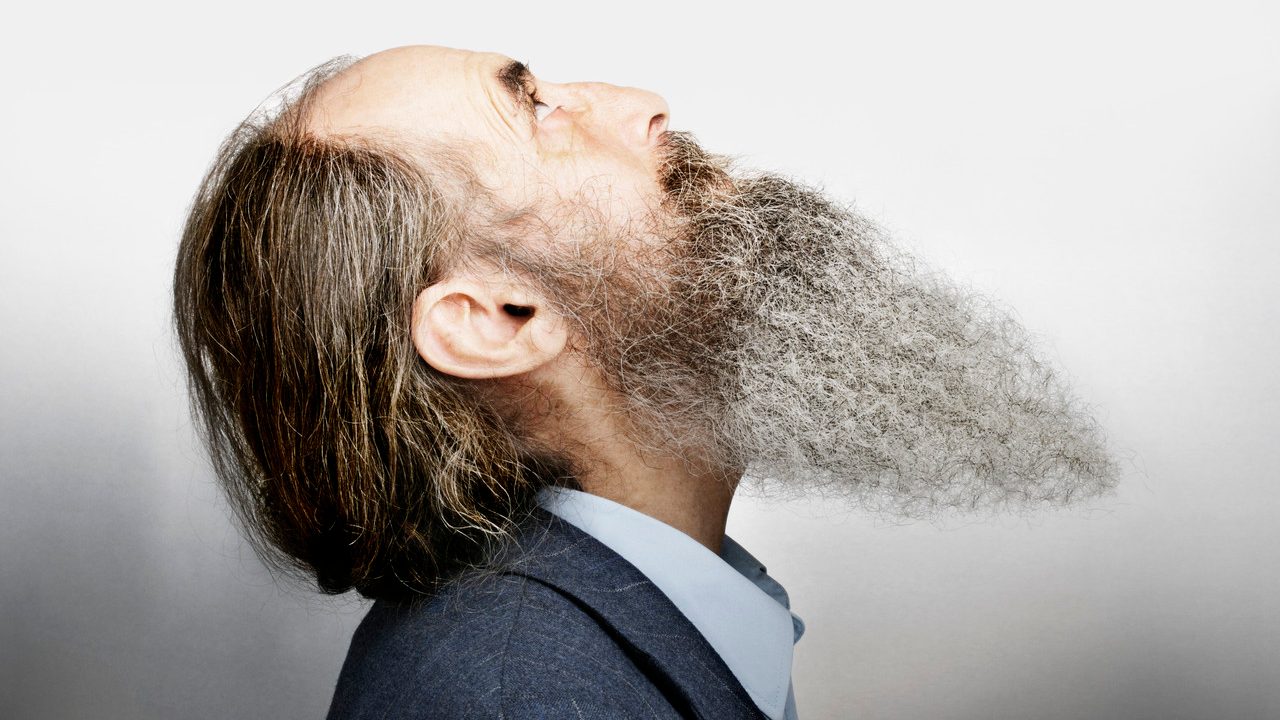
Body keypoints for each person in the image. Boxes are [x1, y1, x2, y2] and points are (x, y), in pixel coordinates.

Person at [173, 45, 1118, 719]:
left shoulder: (608, 620)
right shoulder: (512, 699)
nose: (644, 103)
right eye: (536, 108)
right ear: (499, 321)